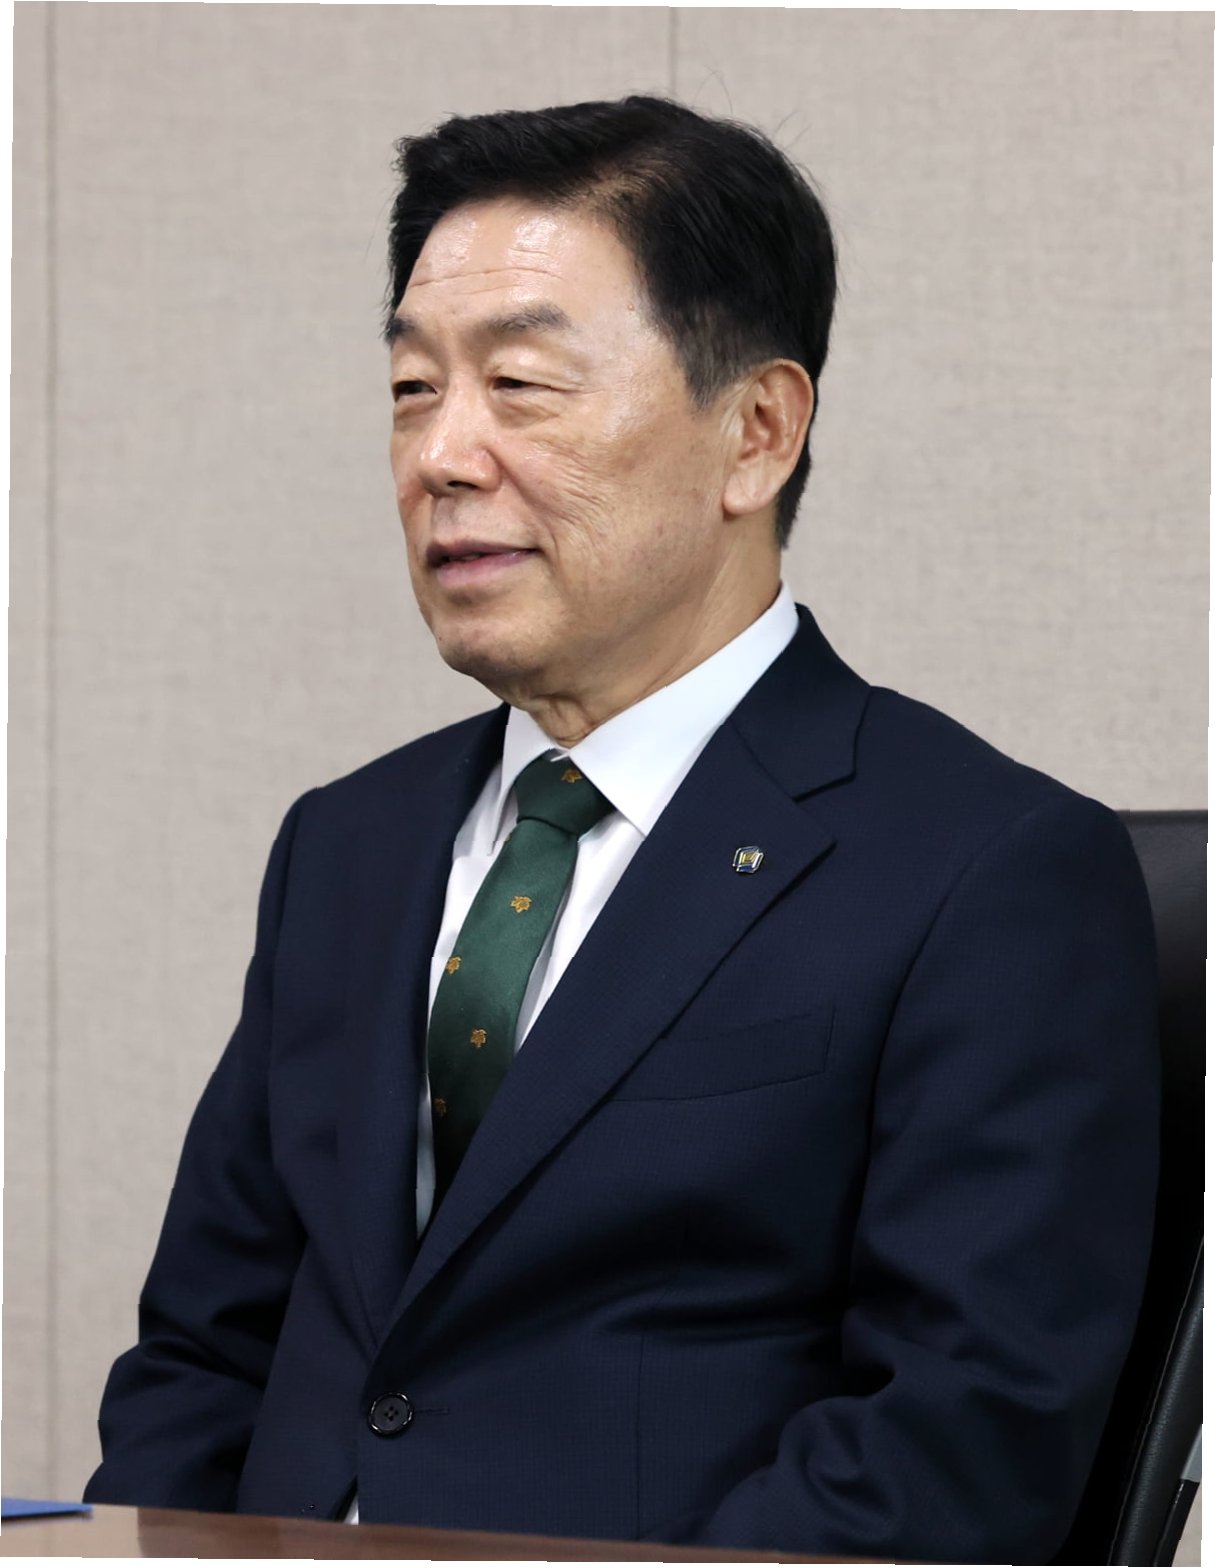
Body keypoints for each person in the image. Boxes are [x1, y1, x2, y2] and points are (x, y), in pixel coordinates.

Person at [84, 95, 1159, 1562]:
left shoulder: (989, 874)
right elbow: (206, 1353)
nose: (442, 455)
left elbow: (952, 1444)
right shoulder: (346, 846)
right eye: (412, 387)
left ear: (756, 434)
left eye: (520, 384)